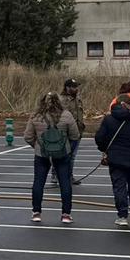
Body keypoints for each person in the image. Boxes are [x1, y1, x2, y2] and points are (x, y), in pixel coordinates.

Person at [24, 92, 80, 224]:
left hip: (41, 154)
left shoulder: (36, 116)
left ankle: (36, 212)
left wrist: (38, 146)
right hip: (62, 154)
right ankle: (66, 214)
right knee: (65, 183)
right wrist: (67, 149)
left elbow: (28, 137)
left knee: (39, 182)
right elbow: (75, 135)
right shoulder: (66, 115)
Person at [94, 97, 130, 227]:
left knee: (119, 187)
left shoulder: (109, 119)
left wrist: (106, 149)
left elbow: (100, 137)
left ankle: (122, 215)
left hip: (116, 159)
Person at [54, 78, 85, 187]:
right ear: (67, 88)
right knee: (62, 155)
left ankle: (69, 176)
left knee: (72, 156)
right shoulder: (61, 100)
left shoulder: (78, 99)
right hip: (64, 133)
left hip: (77, 132)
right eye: (74, 87)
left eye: (77, 86)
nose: (76, 89)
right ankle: (57, 175)